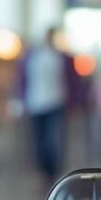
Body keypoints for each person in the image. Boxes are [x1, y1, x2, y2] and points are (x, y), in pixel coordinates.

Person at [24, 26, 70, 178]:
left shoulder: (60, 57)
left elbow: (70, 80)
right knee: (39, 140)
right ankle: (41, 170)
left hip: (56, 102)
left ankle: (53, 169)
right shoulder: (32, 57)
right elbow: (23, 80)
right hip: (35, 103)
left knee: (53, 139)